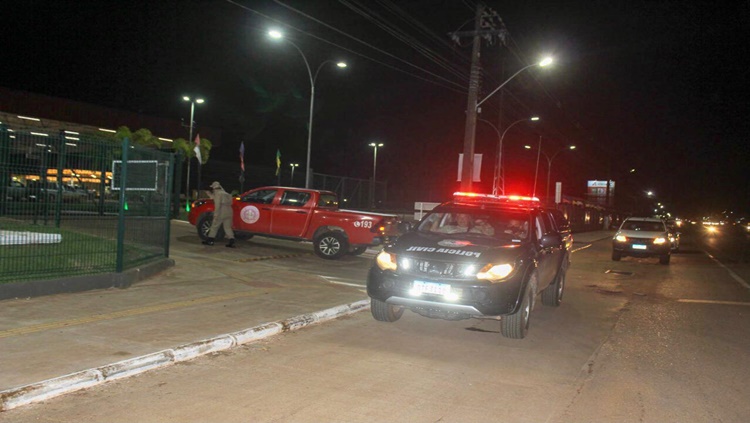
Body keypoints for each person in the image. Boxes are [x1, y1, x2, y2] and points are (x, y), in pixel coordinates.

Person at [202, 181, 236, 248]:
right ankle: (232, 241)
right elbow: (231, 202)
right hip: (229, 210)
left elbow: (217, 204)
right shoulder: (226, 193)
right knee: (227, 227)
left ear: (214, 187)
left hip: (221, 211)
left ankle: (210, 240)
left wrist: (216, 214)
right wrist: (208, 193)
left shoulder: (218, 194)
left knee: (214, 226)